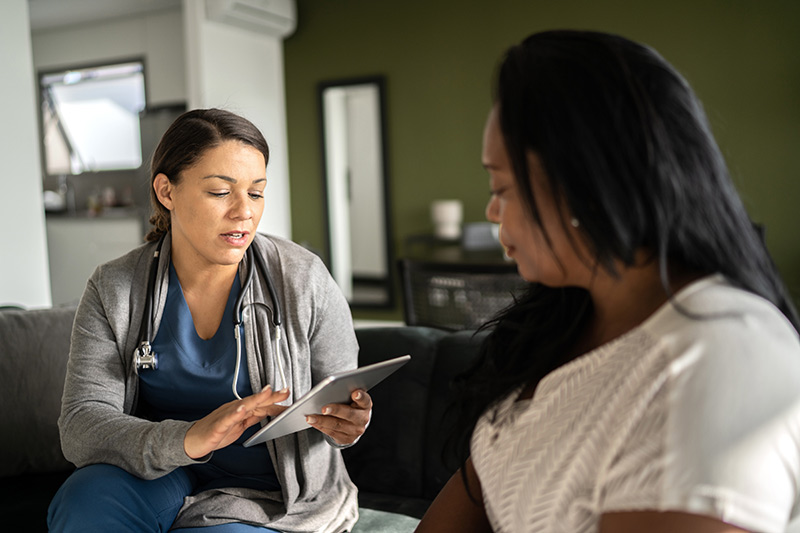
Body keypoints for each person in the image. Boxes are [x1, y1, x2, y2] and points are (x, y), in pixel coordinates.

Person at [416, 30, 800, 533]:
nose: (492, 210)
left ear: (587, 182)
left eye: (501, 186)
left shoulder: (709, 361)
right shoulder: (563, 321)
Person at [48, 108, 372, 532]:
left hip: (270, 493)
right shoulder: (116, 288)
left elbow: (340, 397)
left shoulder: (303, 279)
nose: (244, 212)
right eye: (221, 192)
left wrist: (347, 426)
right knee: (87, 501)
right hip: (161, 470)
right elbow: (82, 424)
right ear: (167, 191)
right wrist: (190, 439)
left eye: (256, 193)